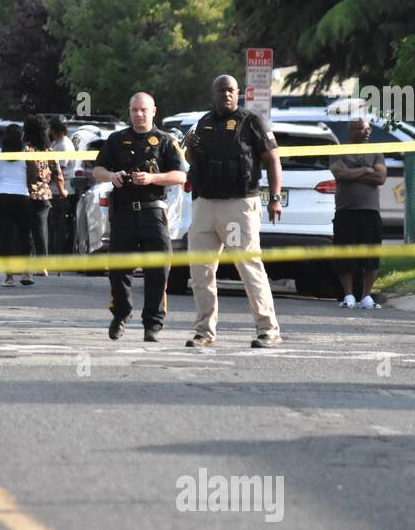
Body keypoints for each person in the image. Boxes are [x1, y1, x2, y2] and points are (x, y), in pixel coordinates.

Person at [183, 74, 283, 349]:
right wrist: (190, 150)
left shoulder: (251, 122)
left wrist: (275, 198)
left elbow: (273, 159)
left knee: (249, 267)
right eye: (221, 90)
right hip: (204, 204)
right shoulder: (203, 123)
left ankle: (268, 330)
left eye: (230, 90)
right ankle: (204, 331)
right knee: (200, 272)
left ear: (239, 93)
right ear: (213, 93)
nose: (226, 94)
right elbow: (193, 158)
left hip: (238, 204)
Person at [92, 92, 187, 341]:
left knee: (158, 269)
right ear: (129, 111)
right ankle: (121, 314)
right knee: (119, 270)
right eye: (134, 110)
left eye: (143, 110)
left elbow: (180, 176)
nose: (138, 114)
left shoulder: (165, 141)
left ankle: (153, 324)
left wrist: (152, 178)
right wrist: (111, 176)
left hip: (153, 212)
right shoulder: (116, 139)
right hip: (123, 212)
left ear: (153, 111)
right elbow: (98, 169)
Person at [329, 116, 386, 308]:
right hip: (346, 211)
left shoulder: (375, 152)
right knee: (345, 255)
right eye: (363, 128)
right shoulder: (339, 151)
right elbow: (341, 174)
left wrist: (356, 174)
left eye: (368, 128)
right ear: (352, 130)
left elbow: (380, 177)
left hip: (370, 212)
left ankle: (366, 296)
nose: (367, 131)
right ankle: (349, 295)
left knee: (371, 256)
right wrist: (367, 170)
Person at [0, 124, 35, 286]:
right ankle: (26, 273)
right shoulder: (26, 155)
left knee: (5, 237)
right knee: (24, 236)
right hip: (22, 197)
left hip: (2, 197)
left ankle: (9, 277)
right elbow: (33, 178)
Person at [22, 115, 66, 276]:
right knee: (41, 231)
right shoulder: (49, 151)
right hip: (44, 195)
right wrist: (63, 191)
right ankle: (42, 266)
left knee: (26, 231)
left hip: (26, 193)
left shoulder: (26, 150)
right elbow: (58, 174)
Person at [47, 119, 77, 257]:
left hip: (62, 191)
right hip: (54, 190)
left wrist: (44, 177)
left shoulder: (64, 145)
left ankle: (59, 256)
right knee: (53, 226)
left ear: (55, 129)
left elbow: (59, 170)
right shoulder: (56, 143)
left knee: (59, 226)